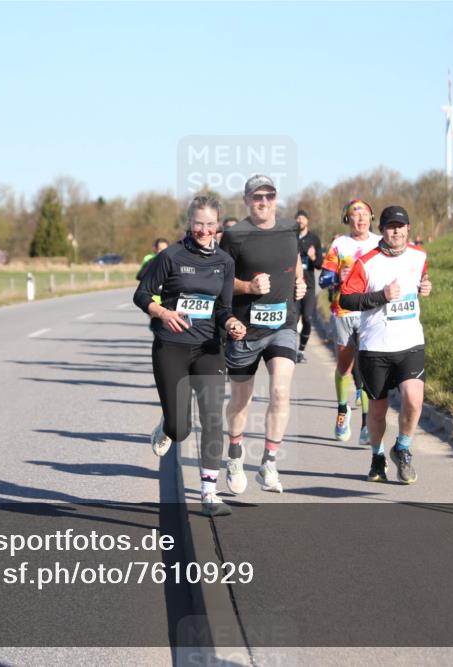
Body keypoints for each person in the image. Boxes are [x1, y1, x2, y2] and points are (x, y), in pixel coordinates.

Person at [133, 195, 246, 516]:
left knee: (212, 417)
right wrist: (161, 312)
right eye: (199, 223)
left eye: (211, 224)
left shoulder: (224, 262)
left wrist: (233, 322)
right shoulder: (170, 256)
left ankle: (209, 493)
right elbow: (141, 293)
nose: (204, 230)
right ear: (189, 223)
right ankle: (167, 424)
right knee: (180, 428)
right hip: (171, 347)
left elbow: (223, 308)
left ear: (218, 225)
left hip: (209, 348)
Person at [220, 175, 306, 494]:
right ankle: (235, 454)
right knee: (241, 402)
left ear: (276, 198)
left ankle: (269, 463)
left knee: (281, 392)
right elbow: (219, 280)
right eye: (257, 196)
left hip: (282, 326)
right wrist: (248, 287)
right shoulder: (235, 235)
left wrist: (301, 282)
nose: (264, 201)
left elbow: (294, 262)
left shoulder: (289, 230)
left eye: (269, 195)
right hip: (245, 329)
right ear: (246, 200)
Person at [339, 205, 432, 484]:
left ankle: (402, 449)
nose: (396, 231)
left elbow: (421, 279)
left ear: (408, 229)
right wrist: (381, 296)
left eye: (401, 226)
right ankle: (378, 455)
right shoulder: (367, 262)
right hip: (375, 347)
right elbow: (346, 300)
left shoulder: (420, 255)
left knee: (414, 399)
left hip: (410, 343)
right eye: (391, 226)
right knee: (378, 412)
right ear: (382, 230)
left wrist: (425, 287)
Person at [318, 200, 381, 444]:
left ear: (371, 217)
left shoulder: (379, 243)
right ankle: (342, 410)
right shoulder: (340, 244)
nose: (360, 219)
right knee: (344, 367)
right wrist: (337, 276)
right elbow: (323, 279)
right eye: (355, 215)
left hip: (370, 314)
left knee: (365, 370)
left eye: (365, 214)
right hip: (343, 312)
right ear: (347, 220)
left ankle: (366, 422)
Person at [295, 208, 323, 363]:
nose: (300, 221)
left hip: (309, 286)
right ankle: (291, 350)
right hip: (293, 286)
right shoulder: (291, 237)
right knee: (292, 320)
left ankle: (301, 350)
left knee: (307, 317)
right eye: (298, 218)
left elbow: (320, 264)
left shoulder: (314, 239)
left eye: (303, 218)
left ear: (307, 221)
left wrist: (313, 257)